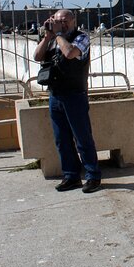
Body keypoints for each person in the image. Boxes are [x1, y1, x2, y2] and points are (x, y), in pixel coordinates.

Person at [33, 10, 101, 193]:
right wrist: (48, 37)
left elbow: (70, 53)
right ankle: (71, 176)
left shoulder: (81, 38)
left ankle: (92, 176)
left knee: (82, 138)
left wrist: (59, 35)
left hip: (75, 95)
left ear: (73, 21)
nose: (60, 24)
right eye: (56, 20)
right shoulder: (53, 38)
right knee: (61, 139)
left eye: (64, 21)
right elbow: (37, 56)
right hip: (55, 95)